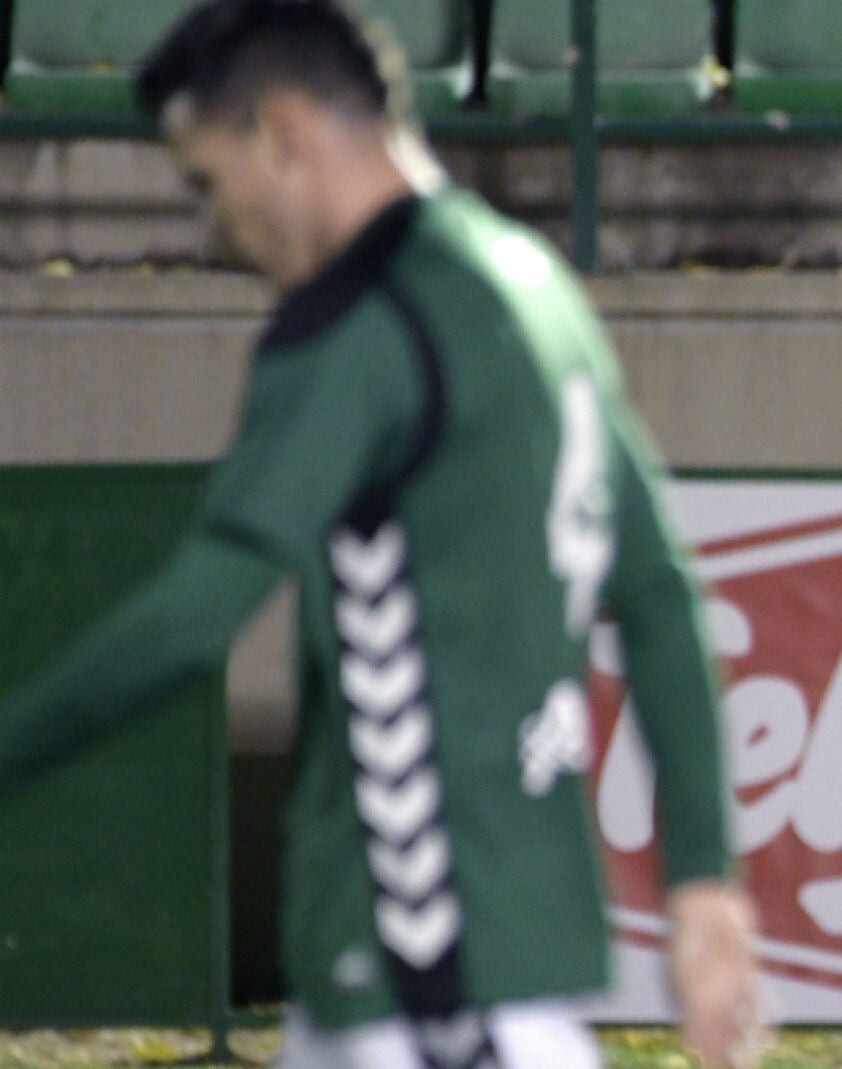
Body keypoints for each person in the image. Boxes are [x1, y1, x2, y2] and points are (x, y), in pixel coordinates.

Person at [0, 2, 761, 1067]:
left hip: (420, 961)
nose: (214, 227)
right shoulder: (529, 283)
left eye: (207, 181)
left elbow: (195, 613)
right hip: (463, 952)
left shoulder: (365, 321)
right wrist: (704, 879)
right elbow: (660, 591)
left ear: (282, 132)